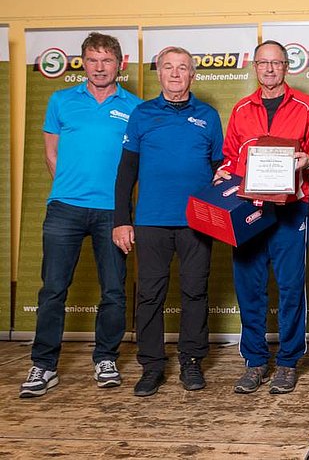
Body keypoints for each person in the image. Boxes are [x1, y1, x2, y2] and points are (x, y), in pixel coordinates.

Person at [20, 32, 142, 398]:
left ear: (120, 64)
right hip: (65, 208)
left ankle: (106, 358)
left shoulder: (135, 107)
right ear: (83, 63)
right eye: (92, 60)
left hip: (113, 212)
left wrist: (119, 206)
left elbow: (137, 164)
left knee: (114, 290)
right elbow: (51, 153)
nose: (99, 67)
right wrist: (71, 188)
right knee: (53, 289)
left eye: (107, 60)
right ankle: (44, 365)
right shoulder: (61, 100)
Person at [215, 40, 309, 395]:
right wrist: (223, 171)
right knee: (249, 287)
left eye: (276, 63)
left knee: (291, 287)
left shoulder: (306, 106)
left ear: (286, 67)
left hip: (291, 209)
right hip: (248, 210)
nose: (269, 69)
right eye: (263, 63)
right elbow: (230, 157)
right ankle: (255, 361)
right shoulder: (240, 109)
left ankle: (288, 362)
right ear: (255, 67)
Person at [113, 46, 223, 396]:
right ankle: (152, 366)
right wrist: (121, 220)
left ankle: (191, 361)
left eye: (183, 68)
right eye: (168, 67)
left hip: (198, 221)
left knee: (195, 291)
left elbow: (221, 169)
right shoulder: (142, 114)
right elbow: (126, 171)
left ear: (193, 74)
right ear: (159, 73)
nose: (175, 74)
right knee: (149, 294)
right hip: (151, 221)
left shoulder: (209, 116)